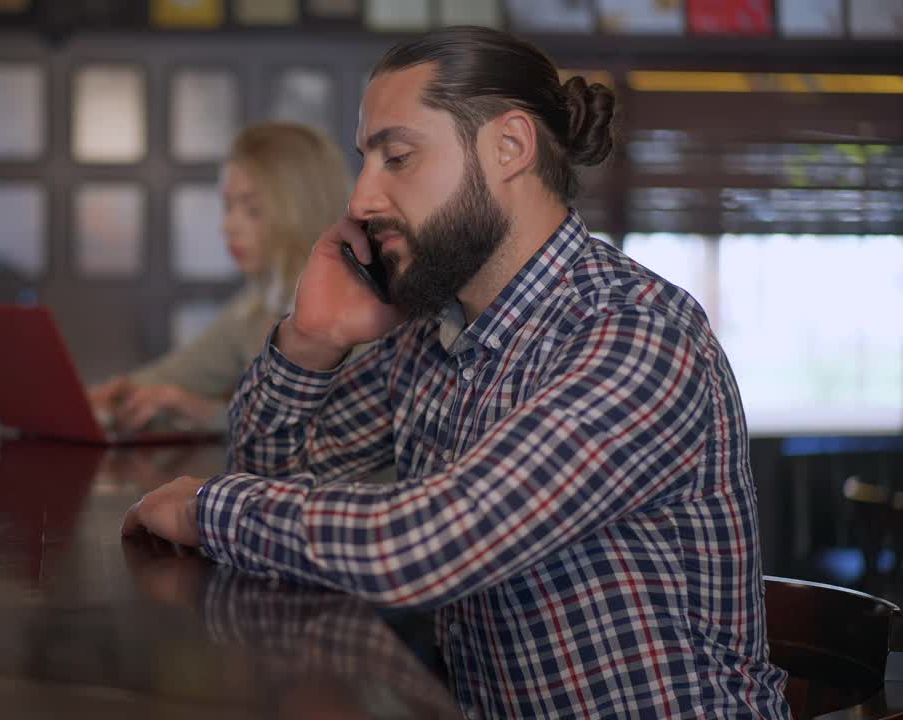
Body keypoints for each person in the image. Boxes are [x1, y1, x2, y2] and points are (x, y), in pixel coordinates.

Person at [122, 26, 791, 719]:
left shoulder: (636, 332)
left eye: (398, 158)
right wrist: (309, 340)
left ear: (509, 147)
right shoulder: (434, 337)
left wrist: (206, 508)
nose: (360, 201)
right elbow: (268, 475)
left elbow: (430, 543)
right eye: (366, 162)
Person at [89, 123, 350, 434]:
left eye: (252, 210)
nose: (228, 226)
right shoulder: (254, 307)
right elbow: (176, 374)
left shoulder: (358, 314)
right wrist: (116, 394)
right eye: (228, 206)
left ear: (305, 209)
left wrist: (205, 413)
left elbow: (336, 438)